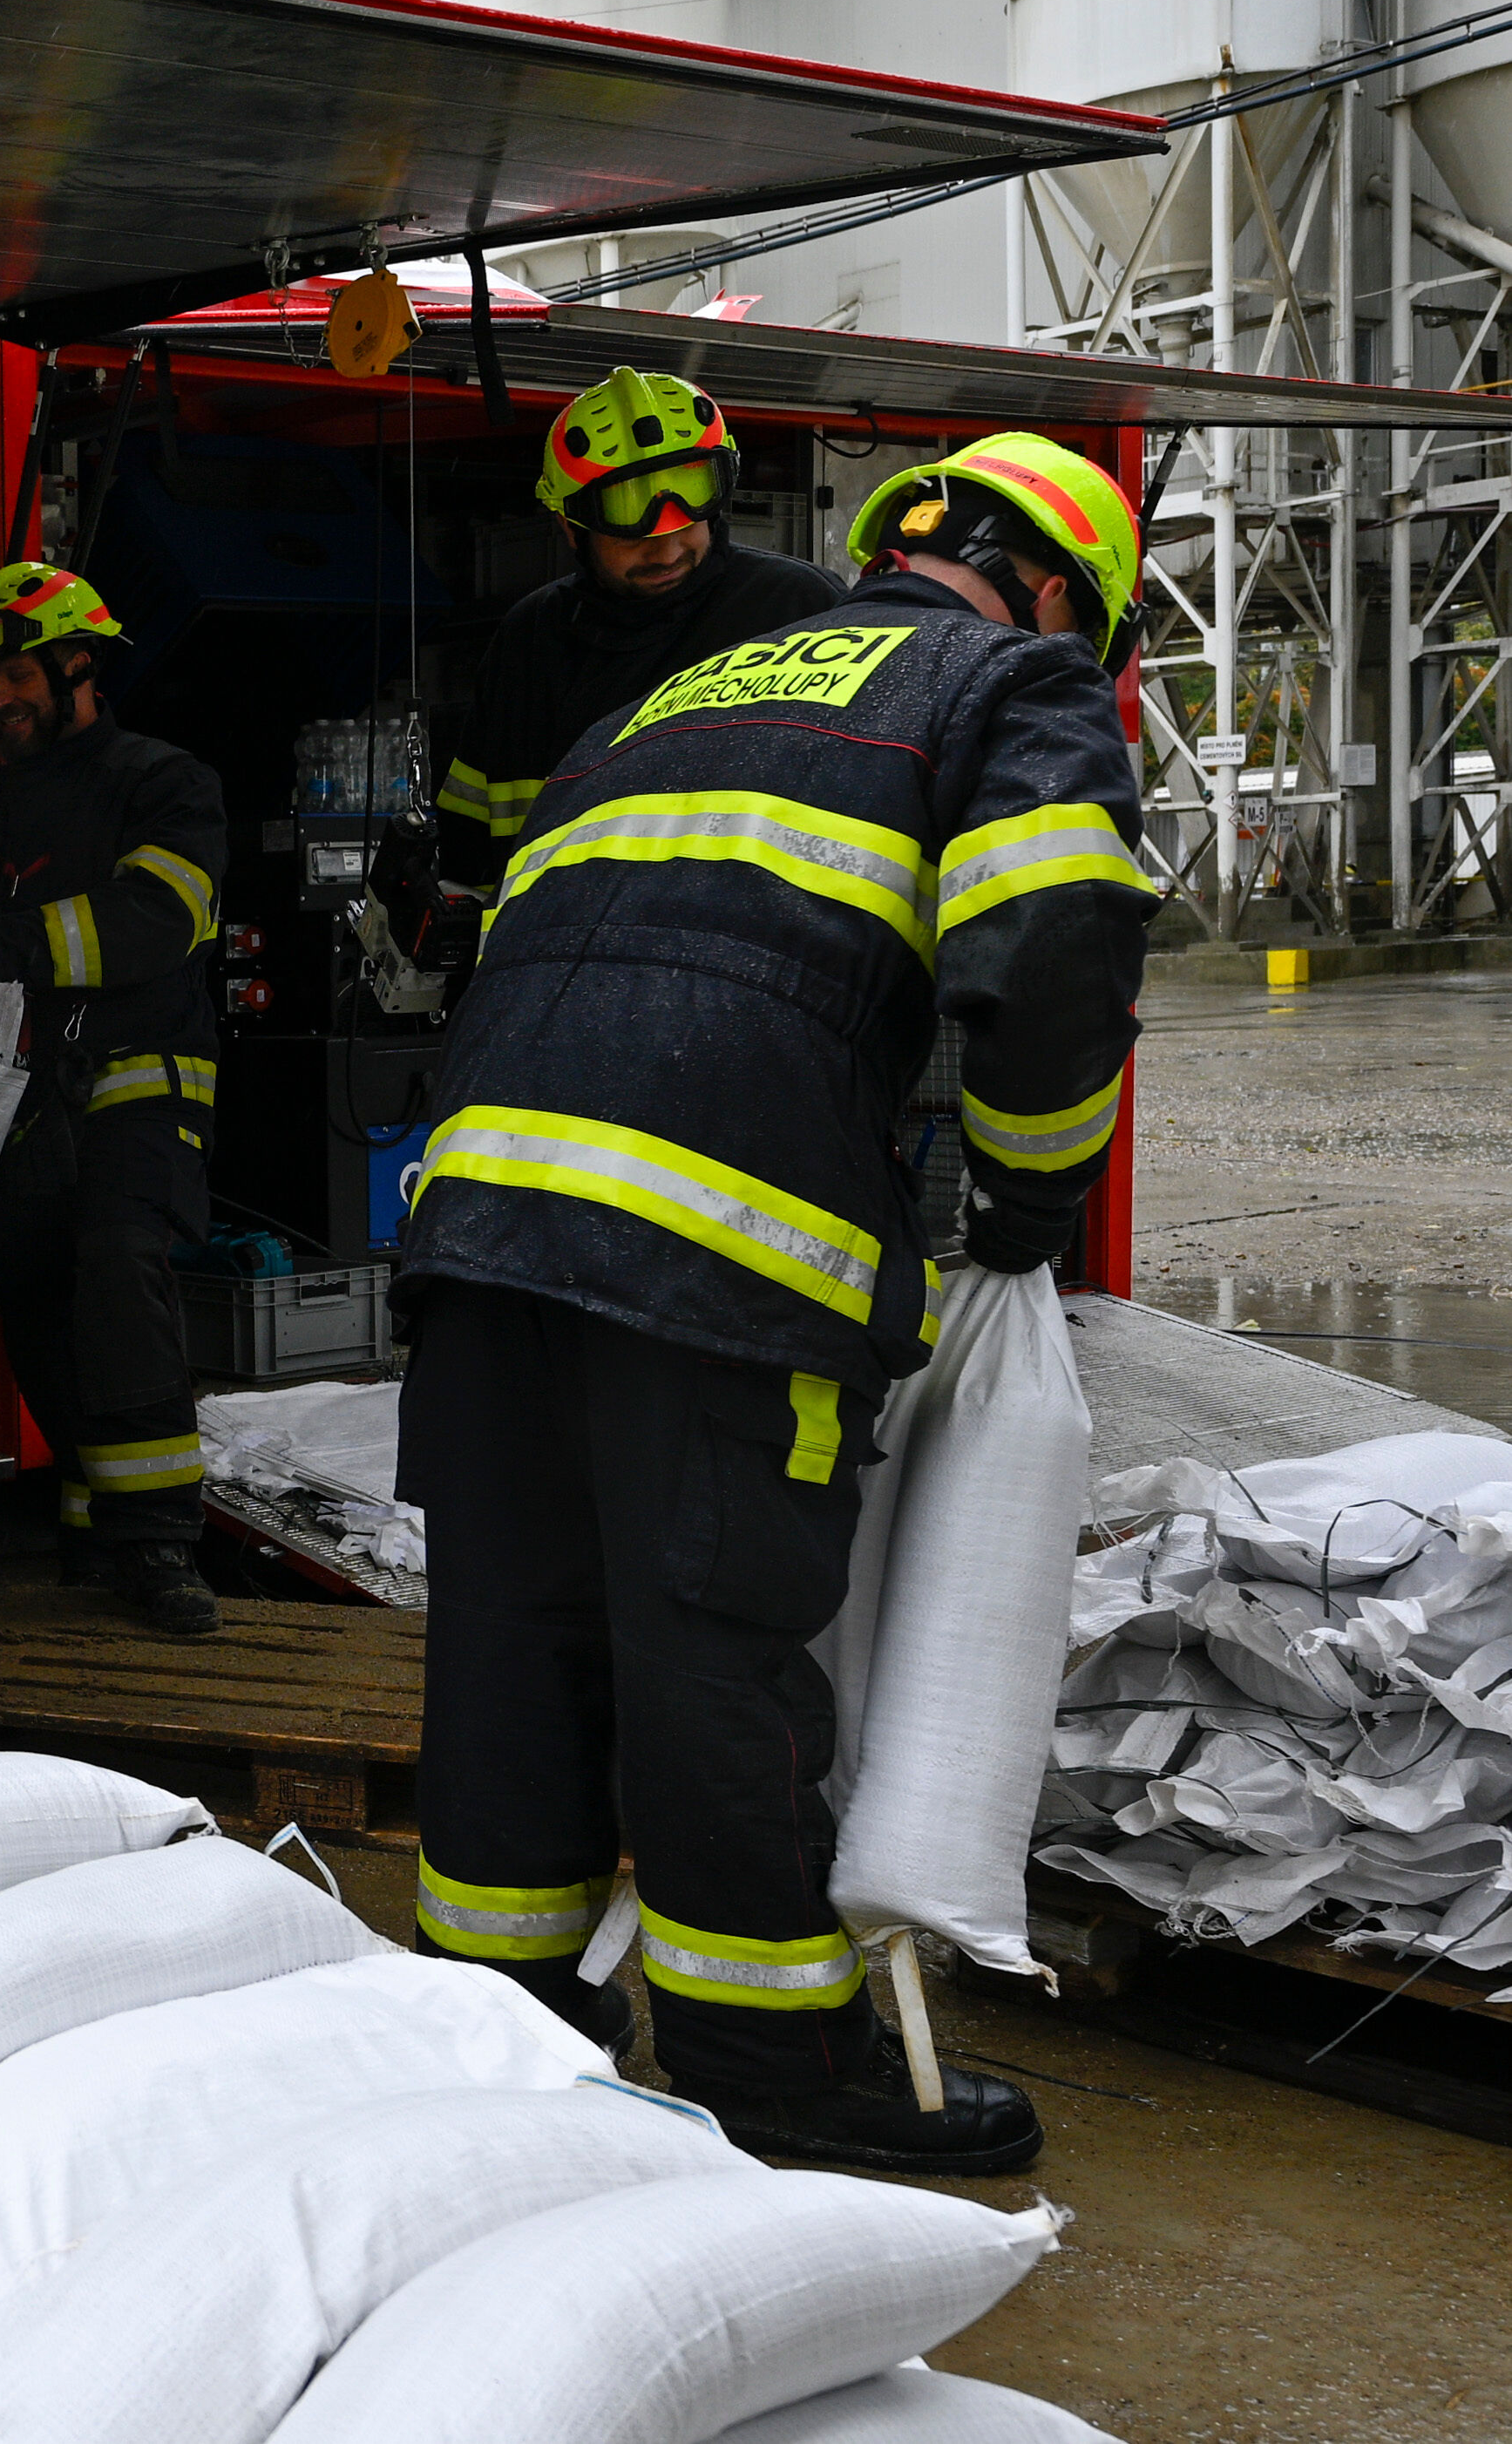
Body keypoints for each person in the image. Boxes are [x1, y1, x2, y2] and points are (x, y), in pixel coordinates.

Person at [394, 433, 1156, 2175]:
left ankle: (493, 2036)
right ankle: (769, 2067)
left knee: (513, 1645)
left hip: (480, 1220)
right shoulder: (1009, 680)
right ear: (1052, 590)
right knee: (708, 1668)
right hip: (713, 1246)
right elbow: (1053, 930)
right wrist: (1024, 1198)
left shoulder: (668, 697)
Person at [0, 564, 232, 1638]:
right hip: (21, 1098)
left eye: (19, 675)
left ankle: (159, 1540)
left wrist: (3, 944)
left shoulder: (162, 781)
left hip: (138, 1080)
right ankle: (92, 1523)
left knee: (116, 1274)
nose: (1, 698)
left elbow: (160, 915)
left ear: (81, 668)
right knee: (35, 1304)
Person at [438, 370, 843, 899]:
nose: (668, 552)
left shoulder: (801, 611)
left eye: (687, 525)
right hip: (557, 939)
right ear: (569, 527)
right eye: (633, 535)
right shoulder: (530, 639)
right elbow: (467, 844)